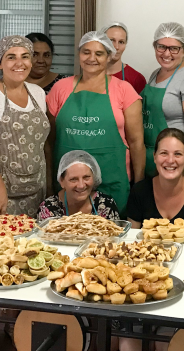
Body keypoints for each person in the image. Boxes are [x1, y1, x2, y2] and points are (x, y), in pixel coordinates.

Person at [47, 31, 144, 216]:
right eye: (86, 52)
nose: (92, 58)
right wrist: (49, 179)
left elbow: (137, 143)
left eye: (99, 53)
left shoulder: (124, 90)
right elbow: (49, 141)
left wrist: (138, 186)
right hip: (70, 186)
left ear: (109, 56)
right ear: (79, 54)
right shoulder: (61, 88)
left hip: (112, 182)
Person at [0, 36, 49, 216]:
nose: (19, 63)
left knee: (32, 242)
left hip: (34, 189)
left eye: (25, 56)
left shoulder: (38, 93)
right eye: (11, 57)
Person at [141, 22, 184, 178]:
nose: (166, 53)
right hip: (156, 158)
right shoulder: (155, 74)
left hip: (176, 163)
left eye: (174, 48)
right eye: (161, 47)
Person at [127, 128, 184, 233]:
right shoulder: (139, 191)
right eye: (164, 153)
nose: (170, 160)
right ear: (154, 157)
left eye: (177, 154)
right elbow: (131, 240)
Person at [38, 150, 120, 220]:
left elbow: (114, 237)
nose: (81, 185)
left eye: (86, 177)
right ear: (61, 181)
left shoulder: (106, 205)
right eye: (73, 179)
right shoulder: (48, 209)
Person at [101, 22, 146, 94]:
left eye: (121, 42)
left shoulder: (136, 79)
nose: (116, 47)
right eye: (111, 40)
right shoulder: (92, 74)